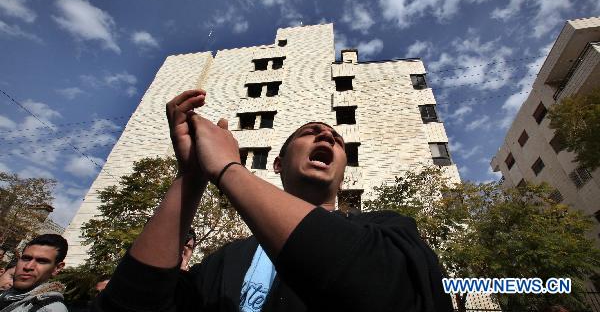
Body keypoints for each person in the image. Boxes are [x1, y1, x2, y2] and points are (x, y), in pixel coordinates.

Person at [94, 89, 452, 311]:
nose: (325, 135)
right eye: (310, 133)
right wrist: (191, 175)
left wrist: (228, 168)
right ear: (278, 164)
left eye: (335, 139)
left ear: (343, 175)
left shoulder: (387, 230)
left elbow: (387, 292)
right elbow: (133, 303)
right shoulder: (227, 261)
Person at [0, 234, 68, 312]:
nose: (28, 267)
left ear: (57, 268)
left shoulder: (50, 309)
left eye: (42, 261)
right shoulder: (5, 294)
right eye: (26, 258)